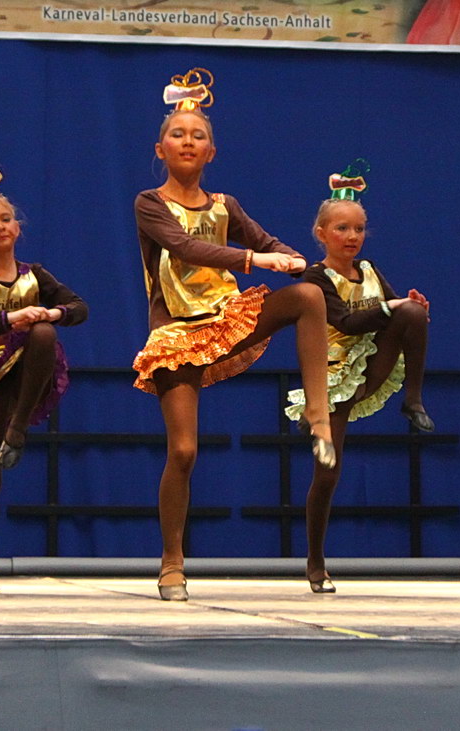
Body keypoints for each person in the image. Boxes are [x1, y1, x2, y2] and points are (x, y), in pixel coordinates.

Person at [133, 68, 334, 602]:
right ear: (161, 149)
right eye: (178, 134)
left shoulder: (225, 205)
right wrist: (255, 260)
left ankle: (318, 417)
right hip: (177, 334)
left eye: (198, 135)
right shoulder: (150, 203)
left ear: (211, 152)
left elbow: (271, 243)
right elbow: (186, 248)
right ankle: (171, 562)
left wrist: (301, 261)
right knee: (183, 451)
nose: (188, 141)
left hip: (227, 319)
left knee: (308, 297)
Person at [0, 158, 87, 591]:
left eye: (6, 219)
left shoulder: (34, 274)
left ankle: (19, 428)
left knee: (43, 332)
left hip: (26, 372)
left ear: (18, 227)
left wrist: (51, 312)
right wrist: (9, 318)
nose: (0, 227)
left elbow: (79, 307)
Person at [290, 163, 431, 593]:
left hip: (368, 366)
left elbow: (392, 309)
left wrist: (409, 306)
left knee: (413, 311)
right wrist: (391, 308)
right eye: (342, 229)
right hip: (331, 379)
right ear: (321, 233)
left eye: (359, 229)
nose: (352, 237)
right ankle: (316, 561)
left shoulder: (369, 269)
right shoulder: (316, 277)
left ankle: (413, 400)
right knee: (328, 473)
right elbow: (345, 322)